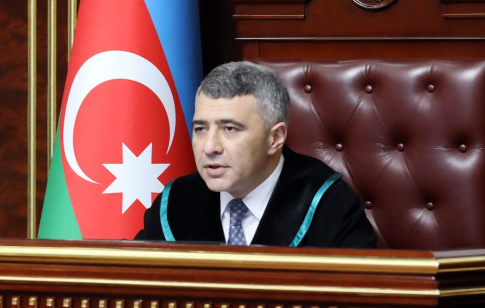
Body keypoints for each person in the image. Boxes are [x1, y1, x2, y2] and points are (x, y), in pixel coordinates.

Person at [134, 61, 378, 248]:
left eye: (229, 129)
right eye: (200, 129)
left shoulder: (329, 205)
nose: (209, 147)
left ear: (275, 138)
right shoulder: (175, 203)